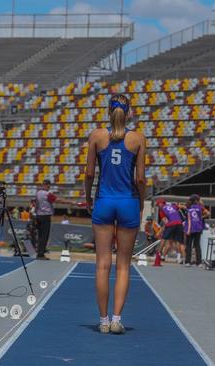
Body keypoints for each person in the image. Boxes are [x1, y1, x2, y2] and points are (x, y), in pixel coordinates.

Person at [84, 93, 146, 334]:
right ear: (128, 112)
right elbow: (140, 178)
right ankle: (118, 319)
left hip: (104, 201)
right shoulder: (138, 138)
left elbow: (89, 174)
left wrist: (88, 196)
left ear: (109, 111)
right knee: (123, 266)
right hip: (128, 201)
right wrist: (141, 202)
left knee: (102, 265)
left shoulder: (97, 136)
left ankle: (103, 321)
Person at [34, 180, 75, 260]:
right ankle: (40, 254)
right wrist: (70, 202)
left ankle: (40, 251)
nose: (49, 187)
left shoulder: (38, 193)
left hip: (39, 215)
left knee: (40, 235)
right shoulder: (48, 194)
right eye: (49, 186)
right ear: (47, 185)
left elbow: (36, 204)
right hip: (45, 216)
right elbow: (59, 200)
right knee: (44, 236)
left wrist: (36, 213)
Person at [157, 198, 185, 263]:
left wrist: (161, 231)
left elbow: (165, 222)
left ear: (161, 203)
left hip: (171, 224)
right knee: (177, 242)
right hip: (179, 223)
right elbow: (182, 206)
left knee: (163, 239)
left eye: (158, 204)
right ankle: (179, 258)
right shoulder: (172, 205)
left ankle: (158, 255)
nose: (158, 206)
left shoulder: (162, 210)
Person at [185, 194, 206, 267]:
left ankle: (188, 261)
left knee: (189, 245)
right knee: (197, 245)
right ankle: (199, 262)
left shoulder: (189, 208)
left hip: (191, 228)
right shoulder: (200, 208)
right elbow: (206, 213)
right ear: (197, 200)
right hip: (198, 228)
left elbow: (189, 220)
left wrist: (188, 229)